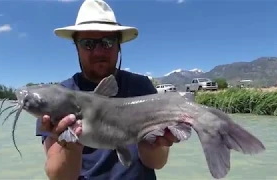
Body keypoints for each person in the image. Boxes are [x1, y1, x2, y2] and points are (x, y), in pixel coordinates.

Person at [36, 0, 179, 179]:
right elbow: (58, 176)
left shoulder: (141, 87)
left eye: (108, 42)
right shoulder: (56, 98)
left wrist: (151, 144)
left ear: (119, 45)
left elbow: (157, 163)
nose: (98, 52)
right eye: (88, 43)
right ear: (76, 47)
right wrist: (70, 146)